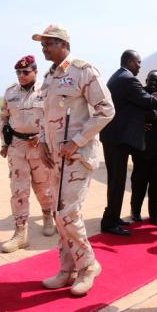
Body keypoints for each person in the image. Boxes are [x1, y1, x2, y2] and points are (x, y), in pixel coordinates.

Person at [32, 24, 115, 296]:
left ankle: (88, 265)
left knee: (68, 213)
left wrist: (77, 141)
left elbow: (106, 110)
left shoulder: (83, 71)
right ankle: (67, 269)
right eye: (42, 44)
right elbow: (44, 114)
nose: (44, 48)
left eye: (48, 43)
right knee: (58, 214)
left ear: (63, 44)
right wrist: (43, 141)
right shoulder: (49, 77)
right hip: (55, 157)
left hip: (78, 156)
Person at [99, 50, 157, 236]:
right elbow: (147, 101)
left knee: (117, 181)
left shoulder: (120, 76)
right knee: (117, 182)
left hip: (116, 138)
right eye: (138, 62)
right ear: (130, 62)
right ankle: (109, 222)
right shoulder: (127, 79)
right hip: (117, 139)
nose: (140, 65)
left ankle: (113, 217)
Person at [0, 55, 55, 253]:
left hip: (39, 147)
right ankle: (20, 233)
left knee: (43, 187)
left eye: (25, 72)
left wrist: (43, 138)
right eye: (18, 72)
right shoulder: (10, 92)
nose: (21, 75)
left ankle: (47, 215)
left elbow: (52, 118)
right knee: (18, 190)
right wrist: (5, 143)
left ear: (35, 71)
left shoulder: (46, 91)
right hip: (17, 147)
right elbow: (4, 118)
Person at [129, 70, 157, 227]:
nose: (154, 83)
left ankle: (154, 215)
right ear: (146, 80)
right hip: (142, 150)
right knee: (139, 183)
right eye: (151, 80)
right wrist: (138, 124)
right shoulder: (139, 96)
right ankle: (135, 212)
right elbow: (128, 116)